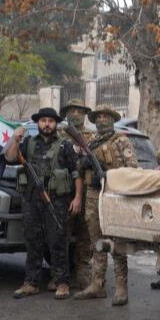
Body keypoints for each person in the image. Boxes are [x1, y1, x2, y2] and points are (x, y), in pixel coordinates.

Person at [7, 108, 83, 300]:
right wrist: (15, 139)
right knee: (33, 241)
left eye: (50, 121)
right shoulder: (28, 143)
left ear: (55, 124)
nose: (47, 124)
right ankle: (31, 282)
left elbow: (76, 173)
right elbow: (10, 158)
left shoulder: (65, 145)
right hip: (32, 199)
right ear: (38, 123)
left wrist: (78, 198)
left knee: (58, 241)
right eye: (43, 121)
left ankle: (62, 282)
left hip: (56, 200)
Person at [74, 104, 139, 306]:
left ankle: (121, 288)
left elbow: (133, 169)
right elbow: (78, 167)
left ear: (113, 119)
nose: (102, 119)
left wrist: (109, 173)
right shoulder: (91, 142)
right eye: (98, 116)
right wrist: (83, 164)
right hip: (94, 195)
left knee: (118, 242)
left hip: (114, 194)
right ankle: (97, 284)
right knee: (97, 241)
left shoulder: (121, 140)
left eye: (106, 116)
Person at [59, 99, 95, 289]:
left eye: (80, 111)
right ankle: (60, 274)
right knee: (61, 234)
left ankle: (82, 271)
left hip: (87, 191)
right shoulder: (59, 134)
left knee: (85, 234)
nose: (76, 114)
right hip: (63, 191)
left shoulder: (93, 137)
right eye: (72, 111)